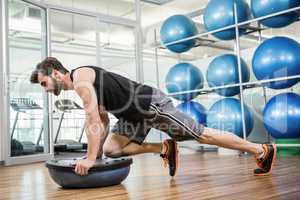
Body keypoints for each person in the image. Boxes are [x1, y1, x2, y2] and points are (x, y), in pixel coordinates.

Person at [30, 57, 276, 177]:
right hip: (131, 115)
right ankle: (164, 147)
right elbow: (102, 121)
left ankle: (260, 149)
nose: (46, 89)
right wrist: (97, 154)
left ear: (55, 73)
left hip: (150, 105)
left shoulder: (82, 80)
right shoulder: (85, 83)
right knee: (113, 149)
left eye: (44, 83)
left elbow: (92, 121)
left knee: (202, 135)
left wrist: (92, 160)